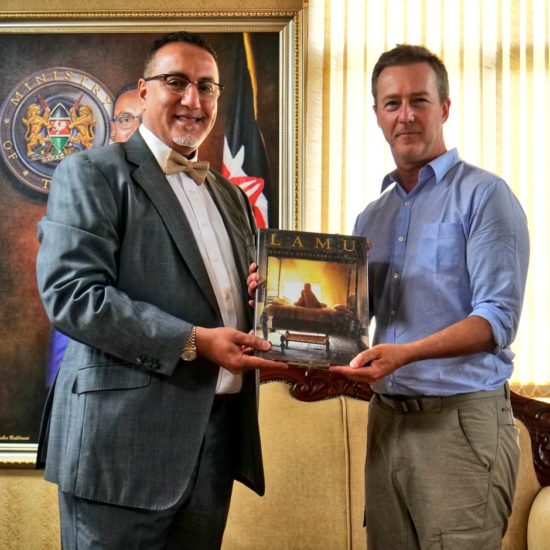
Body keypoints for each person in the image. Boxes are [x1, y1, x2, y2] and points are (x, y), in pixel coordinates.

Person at [36, 30, 285, 550]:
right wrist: (193, 341)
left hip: (213, 446)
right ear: (145, 91)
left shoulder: (232, 198)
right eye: (176, 82)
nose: (193, 99)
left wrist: (260, 301)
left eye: (207, 87)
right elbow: (73, 294)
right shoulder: (91, 174)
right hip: (117, 450)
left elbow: (225, 300)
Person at [329, 44, 529, 549]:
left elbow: (497, 320)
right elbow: (351, 318)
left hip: (458, 425)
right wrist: (273, 294)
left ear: (444, 108)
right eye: (392, 103)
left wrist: (406, 354)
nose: (406, 115)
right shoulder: (371, 217)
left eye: (419, 100)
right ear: (377, 115)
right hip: (386, 423)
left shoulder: (486, 196)